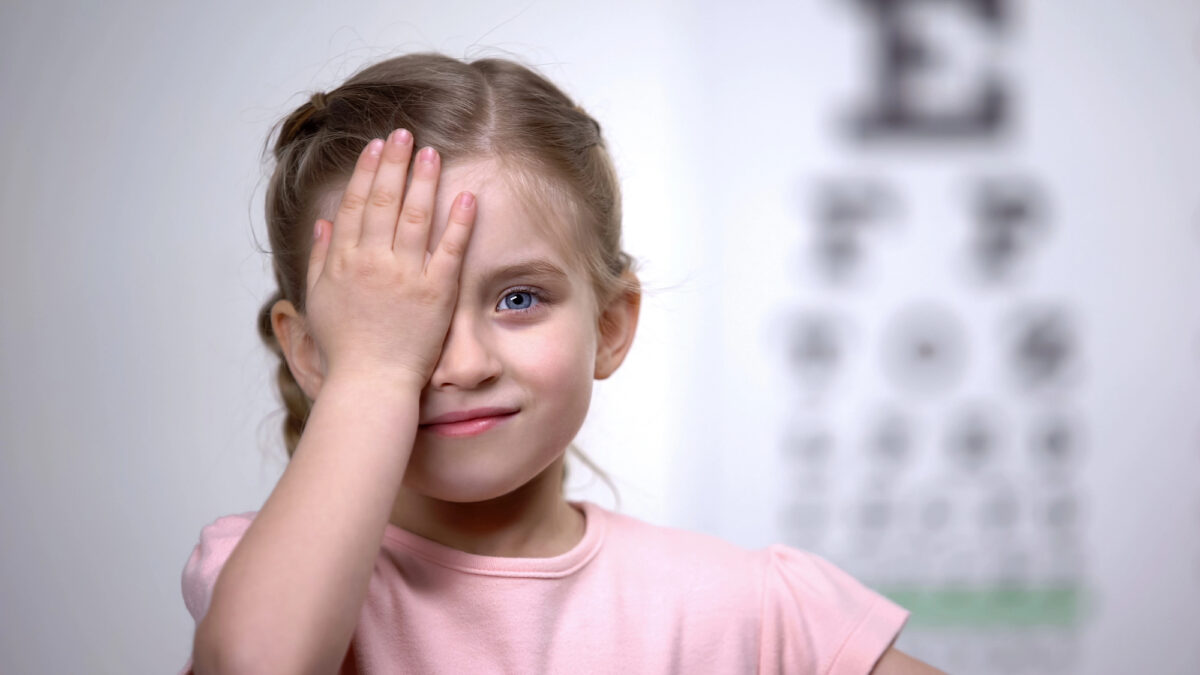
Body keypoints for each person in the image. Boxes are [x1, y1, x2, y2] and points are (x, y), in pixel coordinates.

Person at [179, 52, 943, 674]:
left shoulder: (749, 610)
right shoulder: (260, 579)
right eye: (405, 319)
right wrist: (374, 372)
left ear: (610, 325)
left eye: (517, 298)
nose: (464, 364)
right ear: (310, 353)